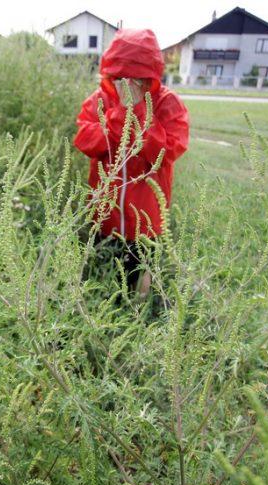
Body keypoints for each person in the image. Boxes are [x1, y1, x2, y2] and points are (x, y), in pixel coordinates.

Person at [73, 28, 190, 300]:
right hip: (105, 215)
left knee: (139, 279)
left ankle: (139, 318)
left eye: (136, 78)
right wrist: (118, 116)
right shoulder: (99, 101)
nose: (127, 85)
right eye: (119, 78)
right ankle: (104, 321)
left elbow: (168, 151)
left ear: (150, 77)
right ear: (110, 75)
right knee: (105, 279)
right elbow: (85, 141)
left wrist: (137, 111)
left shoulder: (167, 103)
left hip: (145, 218)